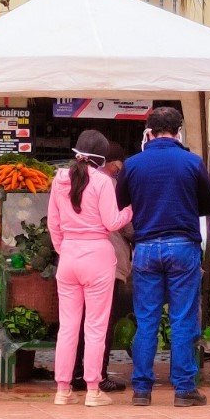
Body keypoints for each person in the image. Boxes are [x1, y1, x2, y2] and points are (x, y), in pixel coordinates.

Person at [116, 107, 210, 407]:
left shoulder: (133, 164)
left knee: (146, 319)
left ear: (149, 131)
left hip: (146, 247)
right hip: (183, 247)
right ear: (178, 131)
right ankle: (184, 389)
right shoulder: (192, 162)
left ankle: (141, 390)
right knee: (182, 318)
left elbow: (121, 201)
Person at [48, 130, 132, 408]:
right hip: (97, 256)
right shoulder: (103, 181)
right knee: (95, 326)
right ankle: (93, 389)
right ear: (102, 158)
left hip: (69, 257)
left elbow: (53, 223)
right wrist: (130, 209)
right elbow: (112, 222)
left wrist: (64, 249)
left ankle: (63, 389)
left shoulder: (59, 179)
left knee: (67, 327)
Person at [72, 142, 133, 393]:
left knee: (76, 322)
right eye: (119, 165)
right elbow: (120, 225)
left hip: (73, 259)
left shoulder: (70, 180)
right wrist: (131, 212)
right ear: (111, 163)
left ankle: (73, 375)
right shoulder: (109, 185)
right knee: (101, 323)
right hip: (107, 262)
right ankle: (97, 376)